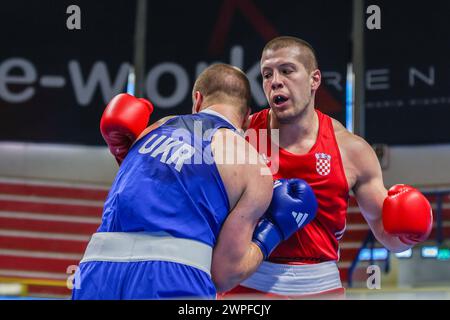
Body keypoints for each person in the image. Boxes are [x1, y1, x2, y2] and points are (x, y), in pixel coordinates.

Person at [71, 63, 318, 299]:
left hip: (97, 270)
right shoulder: (253, 167)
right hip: (175, 277)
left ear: (197, 100)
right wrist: (273, 230)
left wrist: (121, 152)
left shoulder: (155, 128)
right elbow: (224, 274)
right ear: (246, 119)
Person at [221, 36, 433, 299]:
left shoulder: (351, 150)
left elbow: (385, 232)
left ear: (314, 80)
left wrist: (408, 230)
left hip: (320, 286)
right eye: (266, 74)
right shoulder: (240, 136)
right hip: (248, 282)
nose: (275, 80)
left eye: (286, 71)